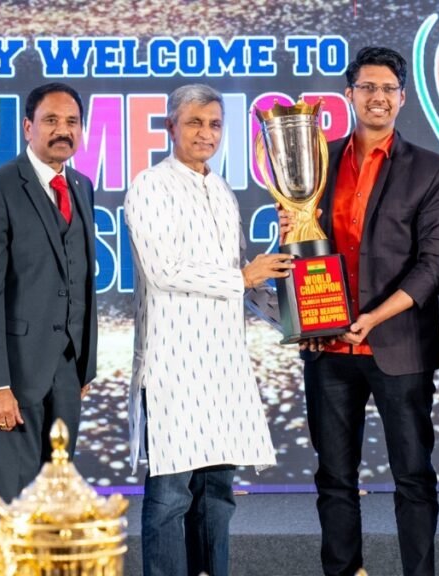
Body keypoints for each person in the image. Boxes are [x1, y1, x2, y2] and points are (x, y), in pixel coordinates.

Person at [284, 46, 439, 576]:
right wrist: (291, 233)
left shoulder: (431, 168)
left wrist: (375, 318)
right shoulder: (317, 163)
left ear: (402, 98)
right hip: (328, 347)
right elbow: (306, 251)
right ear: (350, 94)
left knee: (413, 477)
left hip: (399, 345)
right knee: (334, 479)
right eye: (367, 87)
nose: (377, 97)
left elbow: (434, 264)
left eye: (387, 88)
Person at [123, 83, 294, 576]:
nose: (206, 133)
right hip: (173, 366)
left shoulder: (221, 190)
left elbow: (240, 275)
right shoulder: (149, 186)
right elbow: (164, 270)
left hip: (223, 367)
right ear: (170, 126)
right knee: (171, 496)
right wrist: (245, 277)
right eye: (195, 122)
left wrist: (295, 318)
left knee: (218, 494)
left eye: (215, 124)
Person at [0, 82, 98, 525]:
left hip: (66, 374)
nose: (63, 130)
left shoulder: (81, 186)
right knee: (14, 508)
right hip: (13, 377)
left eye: (72, 122)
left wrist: (82, 364)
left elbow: (80, 278)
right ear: (27, 127)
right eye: (51, 120)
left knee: (57, 506)